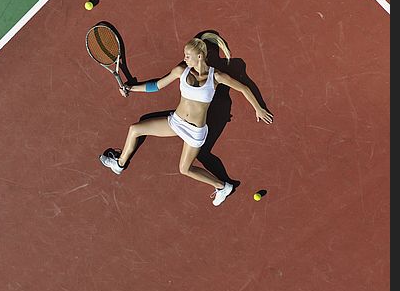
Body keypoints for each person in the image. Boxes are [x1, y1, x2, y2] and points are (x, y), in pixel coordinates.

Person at [99, 32, 273, 206]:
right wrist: (130, 88)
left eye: (187, 56)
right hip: (175, 122)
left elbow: (243, 88)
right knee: (135, 129)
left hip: (195, 132)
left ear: (199, 56)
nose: (185, 59)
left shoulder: (216, 77)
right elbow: (157, 85)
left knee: (184, 169)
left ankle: (222, 186)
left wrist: (258, 109)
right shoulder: (180, 70)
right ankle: (119, 164)